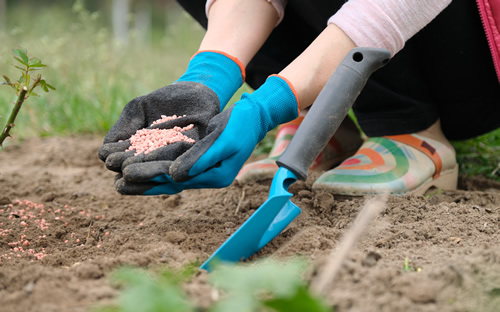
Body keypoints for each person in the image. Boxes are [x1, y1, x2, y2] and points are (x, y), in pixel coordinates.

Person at [98, 0, 500, 196]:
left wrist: (266, 105)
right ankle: (323, 122)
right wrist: (207, 78)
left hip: (465, 60)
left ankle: (408, 126)